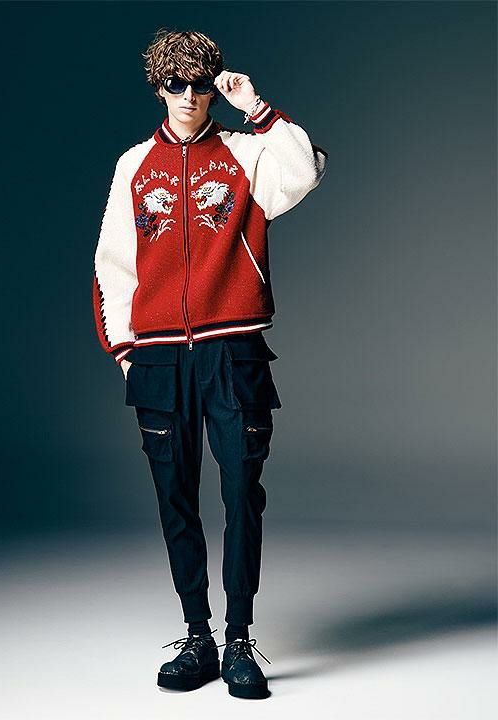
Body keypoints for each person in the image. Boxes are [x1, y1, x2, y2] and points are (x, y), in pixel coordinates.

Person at [92, 28, 327, 699]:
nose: (189, 96)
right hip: (160, 358)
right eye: (176, 84)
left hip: (234, 352)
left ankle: (240, 639)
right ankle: (197, 636)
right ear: (159, 88)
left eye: (200, 85)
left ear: (212, 88)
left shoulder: (248, 154)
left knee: (242, 493)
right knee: (175, 497)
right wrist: (127, 353)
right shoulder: (134, 165)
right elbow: (113, 265)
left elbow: (304, 170)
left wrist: (256, 107)